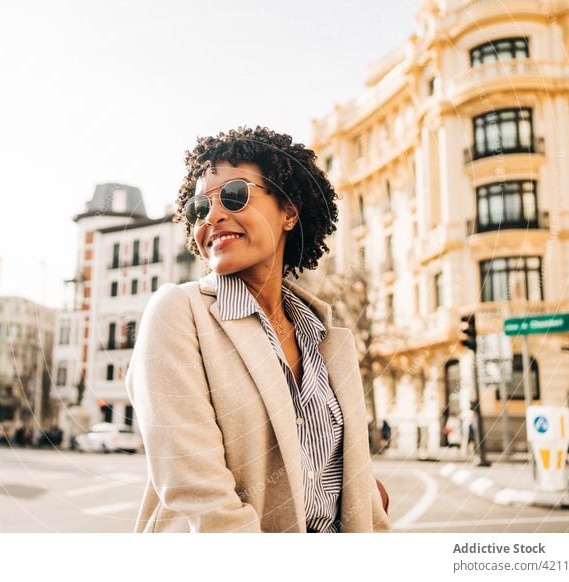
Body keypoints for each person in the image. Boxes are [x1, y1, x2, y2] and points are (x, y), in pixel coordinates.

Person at [126, 127, 390, 533]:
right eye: (199, 208)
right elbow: (202, 496)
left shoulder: (327, 337)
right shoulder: (178, 314)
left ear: (289, 211)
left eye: (234, 195)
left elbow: (348, 488)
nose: (212, 216)